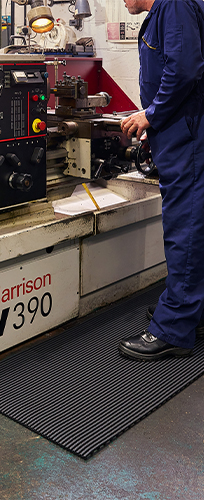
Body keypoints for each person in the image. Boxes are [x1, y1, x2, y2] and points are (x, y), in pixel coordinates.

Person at [118, 0, 204, 360]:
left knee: (185, 229)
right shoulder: (166, 11)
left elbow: (184, 70)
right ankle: (189, 308)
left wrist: (150, 116)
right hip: (179, 135)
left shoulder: (175, 5)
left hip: (185, 137)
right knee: (193, 227)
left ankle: (175, 327)